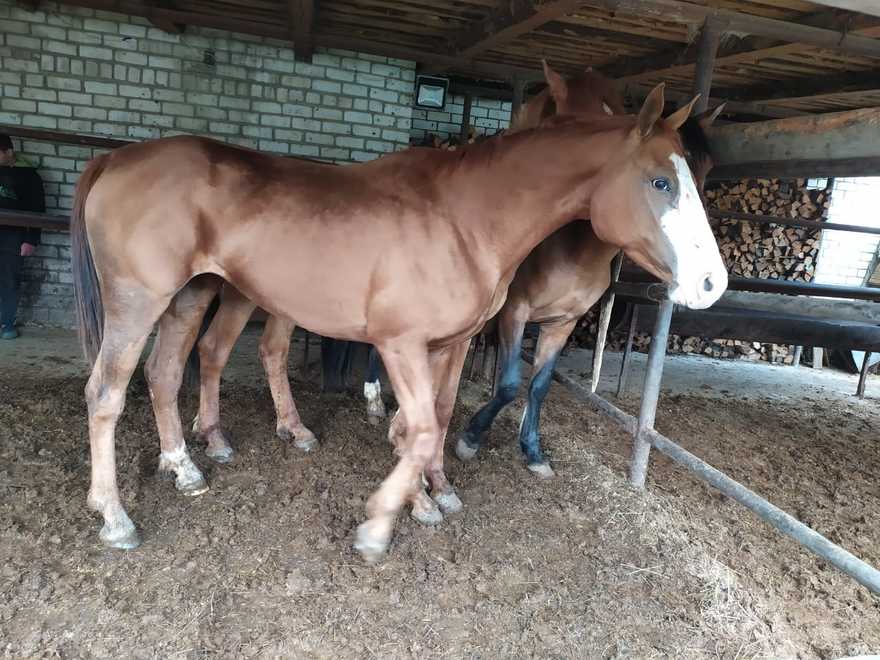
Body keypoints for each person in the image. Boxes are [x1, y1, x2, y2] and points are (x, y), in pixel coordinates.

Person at [0, 134, 44, 339]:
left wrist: (31, 239)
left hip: (13, 236)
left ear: (8, 152)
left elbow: (38, 209)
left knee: (10, 279)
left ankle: (6, 323)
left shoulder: (29, 176)